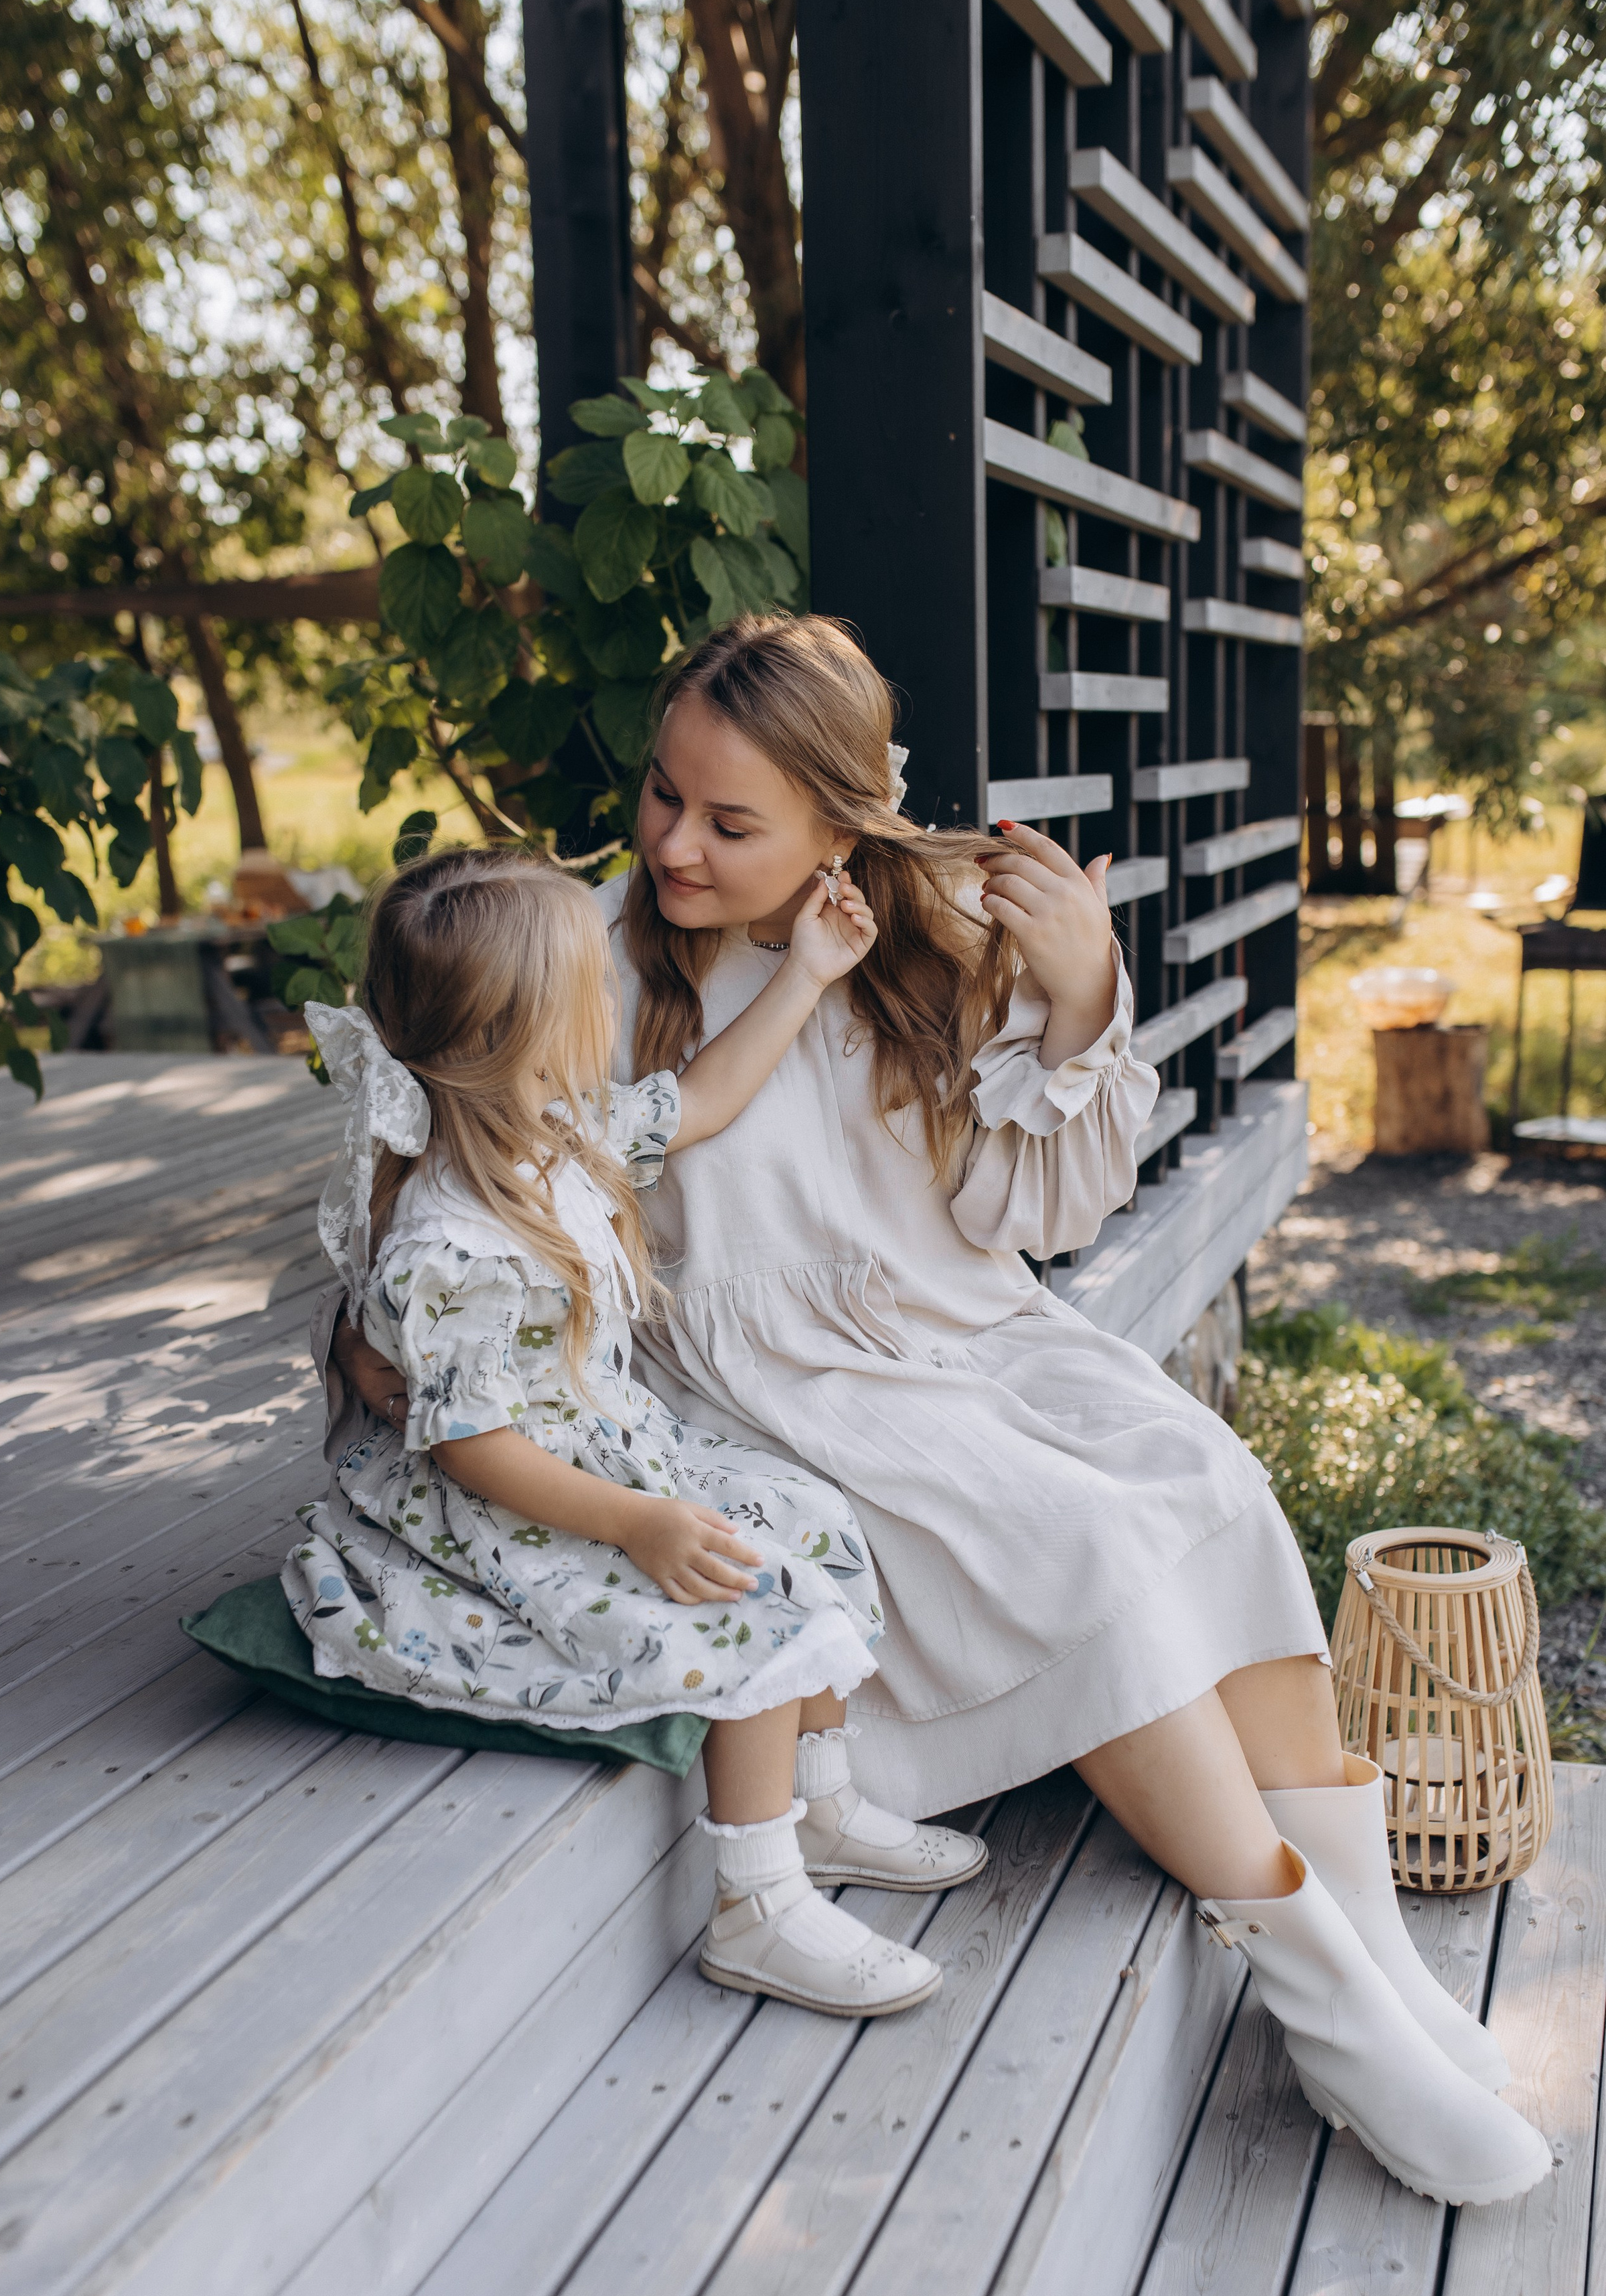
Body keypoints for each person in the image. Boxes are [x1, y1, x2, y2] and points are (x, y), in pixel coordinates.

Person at [332, 614, 1549, 2210]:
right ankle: (1324, 2002)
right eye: (661, 795)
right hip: (766, 1377)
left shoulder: (902, 939)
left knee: (1201, 1472)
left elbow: (1017, 1205)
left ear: (840, 823)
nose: (674, 843)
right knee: (1079, 1541)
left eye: (728, 819)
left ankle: (1376, 1956)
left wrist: (1072, 984)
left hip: (959, 1320)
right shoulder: (586, 966)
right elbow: (456, 1199)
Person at [290, 842, 988, 2021]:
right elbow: (473, 1449)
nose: (612, 998)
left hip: (603, 1455)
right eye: (590, 989)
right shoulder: (451, 1240)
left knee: (807, 1514)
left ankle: (817, 1802)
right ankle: (756, 1902)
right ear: (522, 1030)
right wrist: (640, 1525)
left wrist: (809, 972)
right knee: (742, 1606)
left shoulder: (558, 1134)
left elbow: (705, 1097)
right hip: (519, 1505)